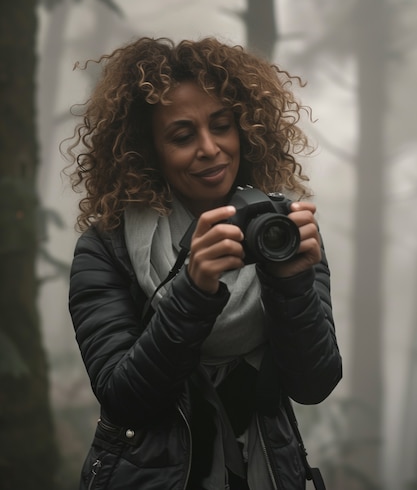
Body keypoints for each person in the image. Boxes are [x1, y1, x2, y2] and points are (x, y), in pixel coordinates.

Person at [65, 36, 342, 490]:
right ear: (147, 150)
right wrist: (193, 292)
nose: (210, 148)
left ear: (245, 130)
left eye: (222, 125)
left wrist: (292, 283)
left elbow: (313, 384)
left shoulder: (281, 232)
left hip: (266, 473)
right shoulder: (106, 248)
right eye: (182, 135)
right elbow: (124, 399)